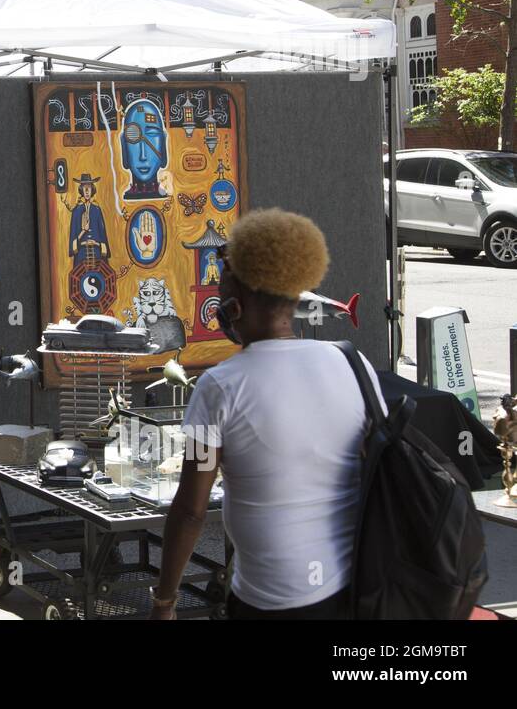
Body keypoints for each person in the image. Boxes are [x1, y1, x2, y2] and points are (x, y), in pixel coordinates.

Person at [149, 208, 386, 621]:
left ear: (236, 303)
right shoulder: (353, 364)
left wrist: (164, 602)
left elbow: (190, 510)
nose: (217, 297)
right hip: (355, 587)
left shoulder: (219, 387)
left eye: (221, 286)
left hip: (270, 602)